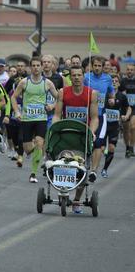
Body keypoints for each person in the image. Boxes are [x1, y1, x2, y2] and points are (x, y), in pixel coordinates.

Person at [53, 65, 99, 214]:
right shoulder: (62, 93)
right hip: (66, 134)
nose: (77, 78)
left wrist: (91, 132)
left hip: (82, 136)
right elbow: (57, 115)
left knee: (82, 167)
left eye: (79, 75)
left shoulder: (91, 94)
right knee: (62, 162)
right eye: (74, 75)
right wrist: (54, 128)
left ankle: (77, 199)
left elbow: (94, 118)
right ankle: (62, 187)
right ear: (70, 77)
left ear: (83, 76)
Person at [83, 56, 115, 181]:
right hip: (87, 115)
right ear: (92, 66)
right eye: (95, 65)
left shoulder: (107, 78)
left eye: (99, 66)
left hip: (101, 115)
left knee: (98, 143)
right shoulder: (86, 77)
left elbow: (111, 92)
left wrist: (111, 99)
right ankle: (83, 164)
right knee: (85, 141)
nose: (97, 68)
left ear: (103, 67)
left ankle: (94, 171)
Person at [99, 75, 131, 177]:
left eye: (116, 81)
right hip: (103, 125)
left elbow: (128, 107)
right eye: (112, 81)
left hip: (114, 126)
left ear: (119, 84)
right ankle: (103, 154)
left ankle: (104, 169)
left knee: (112, 148)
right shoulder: (105, 94)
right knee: (102, 148)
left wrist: (126, 115)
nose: (113, 82)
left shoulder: (122, 96)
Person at [119, 63, 135, 157]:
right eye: (128, 69)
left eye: (132, 70)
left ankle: (132, 147)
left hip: (134, 108)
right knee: (126, 129)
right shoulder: (123, 81)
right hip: (125, 108)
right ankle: (127, 147)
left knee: (133, 127)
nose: (130, 71)